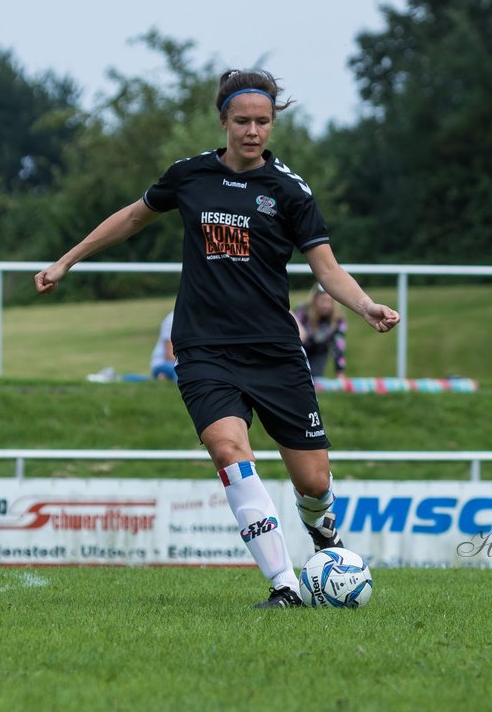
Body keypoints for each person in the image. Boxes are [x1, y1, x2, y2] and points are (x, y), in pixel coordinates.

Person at [35, 69, 401, 608]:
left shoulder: (290, 192)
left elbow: (326, 268)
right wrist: (67, 260)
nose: (252, 131)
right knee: (228, 450)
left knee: (314, 479)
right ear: (223, 121)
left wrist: (366, 305)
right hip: (204, 348)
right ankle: (283, 585)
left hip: (275, 351)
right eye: (242, 121)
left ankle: (323, 536)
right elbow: (134, 216)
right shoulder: (189, 176)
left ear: (273, 123)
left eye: (263, 121)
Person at [294, 284, 347, 379]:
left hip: (320, 352)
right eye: (322, 300)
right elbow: (293, 336)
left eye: (329, 301)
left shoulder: (338, 319)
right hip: (301, 349)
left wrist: (339, 371)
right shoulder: (302, 312)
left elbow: (339, 345)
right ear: (314, 300)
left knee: (315, 380)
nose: (326, 305)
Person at [149, 311, 178, 382]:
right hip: (163, 363)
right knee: (180, 370)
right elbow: (169, 356)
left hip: (180, 361)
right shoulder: (172, 319)